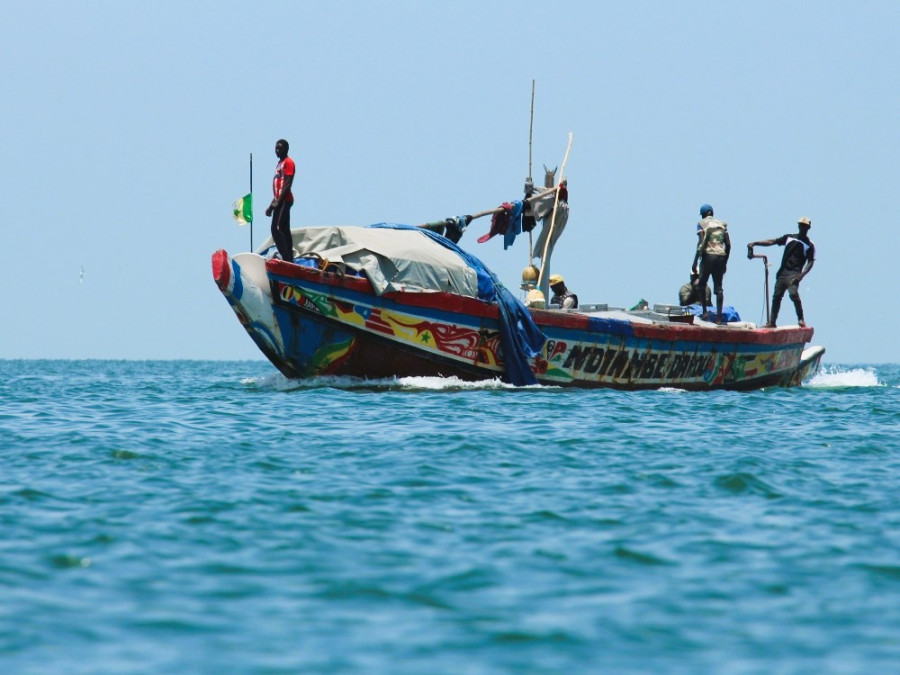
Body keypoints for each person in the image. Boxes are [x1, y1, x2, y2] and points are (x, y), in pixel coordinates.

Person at [747, 217, 816, 328]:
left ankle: (801, 319)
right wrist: (755, 243)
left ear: (808, 228)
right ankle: (772, 322)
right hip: (783, 273)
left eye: (805, 226)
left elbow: (811, 261)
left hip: (795, 274)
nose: (802, 227)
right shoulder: (789, 237)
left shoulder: (810, 245)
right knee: (777, 297)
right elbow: (772, 241)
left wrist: (802, 275)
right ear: (798, 226)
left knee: (793, 294)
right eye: (801, 225)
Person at [691, 205, 731, 323]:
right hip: (721, 257)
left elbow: (701, 243)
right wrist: (725, 261)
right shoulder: (722, 224)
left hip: (708, 256)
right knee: (718, 288)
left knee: (701, 285)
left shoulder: (701, 223)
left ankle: (704, 313)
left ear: (703, 214)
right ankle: (719, 318)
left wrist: (695, 261)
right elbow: (728, 244)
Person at [265, 139, 295, 261]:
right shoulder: (279, 164)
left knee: (276, 228)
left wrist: (278, 202)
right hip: (279, 200)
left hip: (284, 200)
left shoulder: (289, 162)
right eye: (276, 148)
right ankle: (290, 258)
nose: (277, 151)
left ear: (286, 149)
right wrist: (271, 206)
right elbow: (278, 187)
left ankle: (286, 258)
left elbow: (287, 183)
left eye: (280, 148)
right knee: (284, 229)